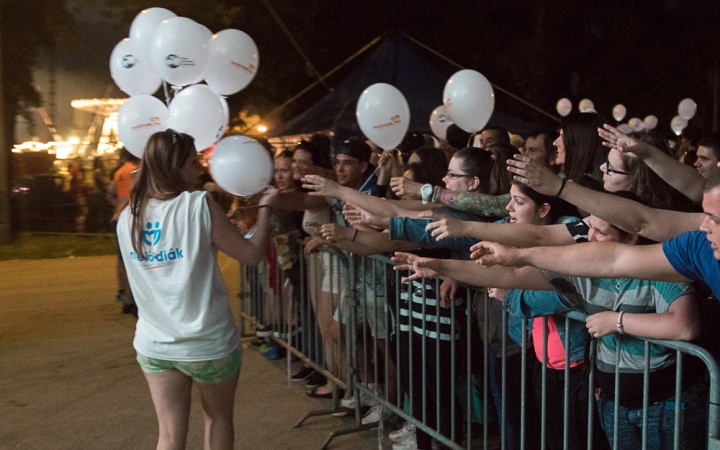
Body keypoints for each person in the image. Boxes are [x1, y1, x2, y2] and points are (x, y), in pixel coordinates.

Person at [393, 210, 705, 450]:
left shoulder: (664, 273)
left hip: (665, 404)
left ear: (630, 240)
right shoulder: (585, 272)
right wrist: (440, 266)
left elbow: (685, 325)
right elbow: (512, 276)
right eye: (589, 228)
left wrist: (617, 321)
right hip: (615, 401)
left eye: (600, 232)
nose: (588, 237)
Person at [116, 129, 275, 450]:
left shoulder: (127, 215)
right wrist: (266, 209)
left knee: (169, 436)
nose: (199, 169)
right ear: (172, 167)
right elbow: (251, 254)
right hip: (208, 342)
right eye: (191, 162)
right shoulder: (197, 205)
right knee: (218, 420)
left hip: (156, 344)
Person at [111, 148, 141, 316]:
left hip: (119, 217)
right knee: (134, 258)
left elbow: (110, 194)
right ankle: (133, 297)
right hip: (132, 217)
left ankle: (124, 294)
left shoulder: (119, 173)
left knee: (122, 259)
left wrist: (118, 206)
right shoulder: (135, 171)